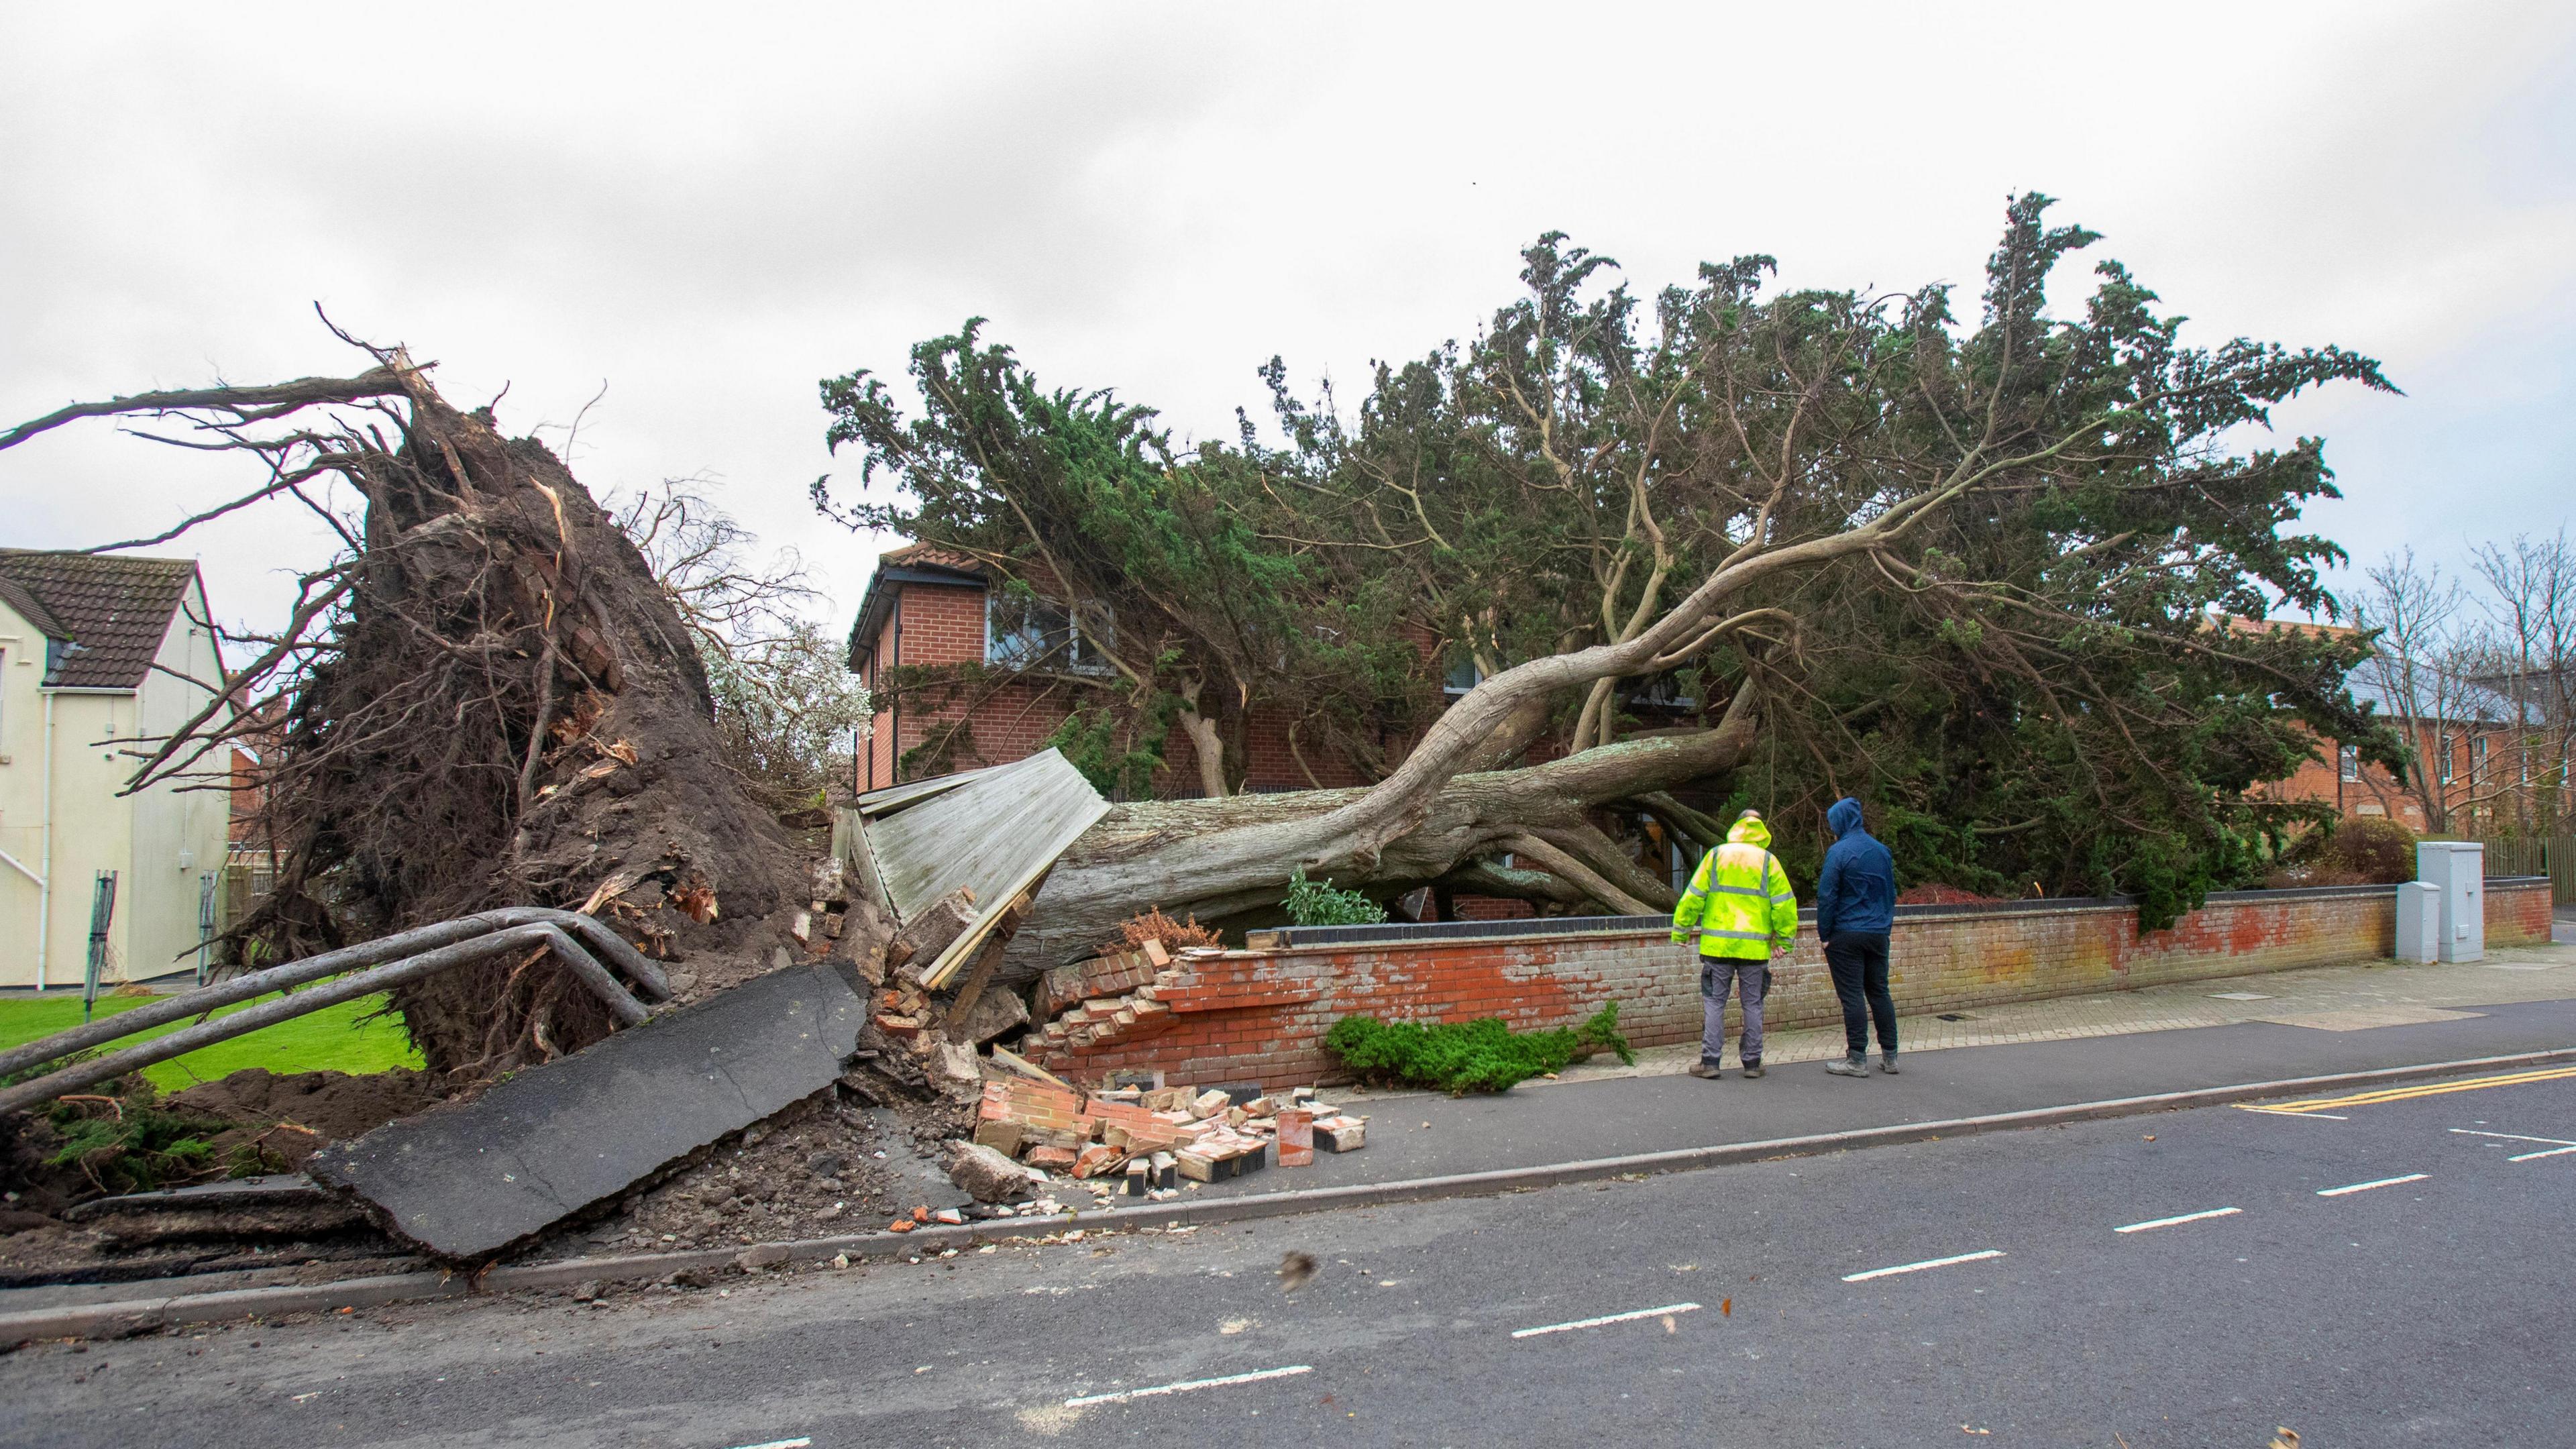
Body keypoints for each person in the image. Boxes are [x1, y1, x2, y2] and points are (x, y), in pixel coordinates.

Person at [1670, 808, 1799, 1079]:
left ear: (1737, 826)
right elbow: (1785, 905)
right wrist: (1785, 941)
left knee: (1715, 1003)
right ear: (1760, 829)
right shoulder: (1768, 861)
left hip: (1718, 949)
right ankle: (1752, 1063)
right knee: (1753, 1004)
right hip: (1754, 949)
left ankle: (1710, 1063)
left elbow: (1693, 895)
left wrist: (1681, 931)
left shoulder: (1717, 855)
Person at [1815, 796, 1898, 1077]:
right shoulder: (1882, 851)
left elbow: (1827, 896)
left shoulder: (1838, 852)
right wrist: (1884, 927)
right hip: (1877, 933)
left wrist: (1825, 933)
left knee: (1852, 996)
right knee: (1879, 992)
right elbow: (1890, 892)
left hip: (1846, 934)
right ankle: (1891, 1057)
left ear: (1840, 822)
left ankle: (1857, 1059)